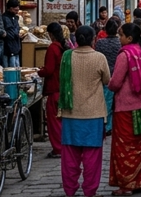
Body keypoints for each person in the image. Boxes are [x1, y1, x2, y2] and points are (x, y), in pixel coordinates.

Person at [59, 26, 111, 197]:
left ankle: (70, 190)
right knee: (92, 158)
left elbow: (62, 79)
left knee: (70, 158)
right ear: (93, 39)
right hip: (94, 114)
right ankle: (90, 190)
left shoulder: (66, 58)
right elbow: (107, 80)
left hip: (70, 113)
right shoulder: (99, 58)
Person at [108, 23, 141, 195]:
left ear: (129, 38)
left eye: (121, 35)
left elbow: (115, 82)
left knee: (125, 146)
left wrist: (108, 83)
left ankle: (127, 185)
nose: (119, 38)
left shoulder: (125, 55)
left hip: (126, 108)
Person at [38, 22, 68, 158]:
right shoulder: (63, 47)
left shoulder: (53, 48)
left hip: (54, 88)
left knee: (54, 121)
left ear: (50, 34)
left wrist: (39, 71)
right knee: (61, 120)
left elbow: (49, 69)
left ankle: (58, 148)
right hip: (62, 87)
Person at [94, 18, 123, 135]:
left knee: (105, 102)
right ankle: (112, 125)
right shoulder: (120, 43)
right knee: (115, 103)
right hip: (117, 75)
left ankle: (106, 124)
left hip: (103, 76)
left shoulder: (100, 43)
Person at [3, 0, 25, 68]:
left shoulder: (15, 18)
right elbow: (9, 32)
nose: (17, 11)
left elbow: (16, 29)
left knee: (16, 68)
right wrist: (17, 34)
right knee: (10, 70)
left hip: (15, 49)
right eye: (16, 10)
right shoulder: (5, 18)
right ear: (10, 8)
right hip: (8, 49)